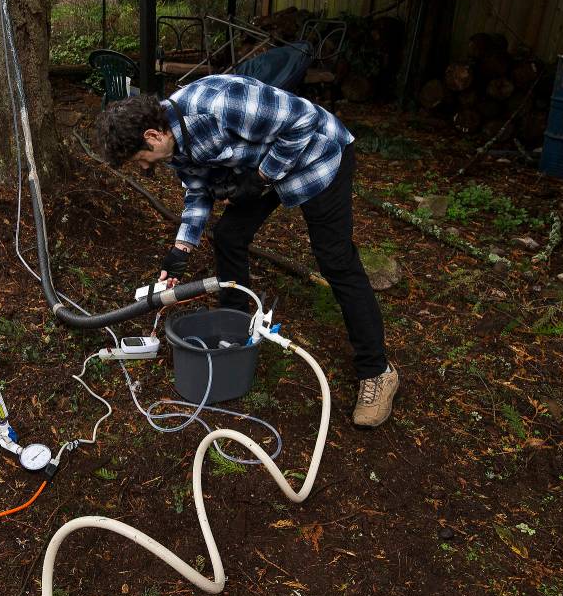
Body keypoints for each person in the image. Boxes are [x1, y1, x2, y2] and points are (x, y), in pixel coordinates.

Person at [95, 75, 398, 427]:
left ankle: (377, 370)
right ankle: (236, 327)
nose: (145, 167)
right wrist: (180, 250)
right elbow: (198, 190)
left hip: (317, 155)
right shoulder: (172, 142)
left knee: (335, 260)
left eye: (140, 159)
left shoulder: (220, 103)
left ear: (152, 135)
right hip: (264, 169)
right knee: (228, 236)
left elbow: (303, 121)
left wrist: (260, 178)